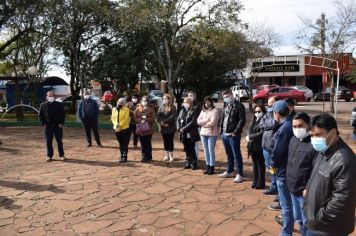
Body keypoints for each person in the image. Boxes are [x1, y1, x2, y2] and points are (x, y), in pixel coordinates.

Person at [304, 113, 356, 236]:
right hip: (316, 223)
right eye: (311, 135)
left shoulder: (344, 160)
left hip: (329, 228)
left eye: (318, 135)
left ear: (332, 133)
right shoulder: (324, 151)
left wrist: (319, 217)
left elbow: (342, 199)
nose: (314, 139)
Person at [285, 112, 317, 236]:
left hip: (304, 193)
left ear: (308, 125)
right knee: (298, 219)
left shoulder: (313, 143)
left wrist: (308, 187)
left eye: (300, 126)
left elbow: (316, 169)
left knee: (307, 223)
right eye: (294, 126)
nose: (297, 129)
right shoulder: (293, 139)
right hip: (292, 188)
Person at [270, 100, 294, 236]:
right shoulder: (289, 124)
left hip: (283, 171)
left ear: (277, 113)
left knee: (286, 206)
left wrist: (272, 165)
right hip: (289, 169)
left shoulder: (284, 128)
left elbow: (278, 151)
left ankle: (286, 232)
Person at [219, 89, 246, 183]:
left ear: (232, 95)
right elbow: (223, 118)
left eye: (227, 96)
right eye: (224, 97)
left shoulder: (239, 105)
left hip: (233, 134)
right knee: (229, 154)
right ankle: (230, 171)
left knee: (236, 154)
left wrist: (235, 131)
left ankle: (240, 173)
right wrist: (221, 131)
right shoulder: (225, 105)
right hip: (224, 134)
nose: (226, 98)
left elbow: (242, 120)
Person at [259, 96, 279, 195]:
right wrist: (270, 124)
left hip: (274, 146)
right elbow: (261, 124)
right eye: (268, 104)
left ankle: (278, 188)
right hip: (265, 145)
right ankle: (273, 186)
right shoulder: (267, 114)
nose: (269, 106)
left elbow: (275, 123)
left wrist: (269, 124)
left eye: (271, 104)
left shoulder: (279, 114)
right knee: (270, 167)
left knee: (276, 168)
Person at [39, 91, 66, 162]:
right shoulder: (43, 105)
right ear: (46, 97)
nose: (50, 97)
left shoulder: (59, 104)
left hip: (57, 126)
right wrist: (43, 124)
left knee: (59, 141)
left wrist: (61, 123)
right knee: (48, 142)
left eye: (51, 96)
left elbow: (63, 114)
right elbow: (40, 115)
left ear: (54, 96)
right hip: (48, 126)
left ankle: (61, 155)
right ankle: (49, 156)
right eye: (49, 96)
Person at [197, 96, 220, 175]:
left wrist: (204, 124)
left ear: (211, 102)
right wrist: (206, 120)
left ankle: (212, 166)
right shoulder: (203, 111)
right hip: (203, 133)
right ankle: (207, 166)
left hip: (211, 133)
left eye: (208, 102)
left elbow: (213, 122)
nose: (207, 104)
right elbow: (198, 121)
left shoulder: (215, 111)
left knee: (211, 150)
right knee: (206, 150)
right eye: (205, 102)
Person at [246, 104, 266, 189]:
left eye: (259, 111)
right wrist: (248, 137)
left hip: (259, 146)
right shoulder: (253, 120)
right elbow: (249, 130)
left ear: (263, 112)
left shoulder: (264, 121)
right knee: (254, 164)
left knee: (260, 164)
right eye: (255, 111)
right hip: (252, 146)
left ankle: (261, 182)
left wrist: (250, 137)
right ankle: (255, 181)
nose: (257, 113)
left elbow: (262, 133)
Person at [177, 97, 200, 170]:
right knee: (186, 148)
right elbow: (178, 120)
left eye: (187, 102)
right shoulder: (182, 111)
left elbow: (193, 122)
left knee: (191, 148)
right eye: (184, 102)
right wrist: (179, 128)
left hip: (190, 132)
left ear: (190, 103)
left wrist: (184, 128)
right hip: (183, 133)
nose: (185, 104)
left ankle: (194, 163)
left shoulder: (194, 111)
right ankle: (188, 162)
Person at [134, 96, 156, 163]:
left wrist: (146, 119)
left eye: (145, 101)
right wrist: (139, 120)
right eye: (143, 101)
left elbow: (153, 118)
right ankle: (143, 156)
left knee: (147, 143)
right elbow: (135, 117)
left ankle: (148, 156)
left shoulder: (151, 109)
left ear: (148, 102)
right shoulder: (139, 108)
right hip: (140, 129)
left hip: (148, 129)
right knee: (142, 144)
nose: (144, 102)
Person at [157, 93, 177, 162]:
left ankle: (171, 156)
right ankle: (166, 155)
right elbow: (158, 115)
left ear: (169, 99)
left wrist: (165, 122)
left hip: (170, 127)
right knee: (165, 141)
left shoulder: (173, 107)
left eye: (165, 99)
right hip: (163, 127)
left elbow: (172, 117)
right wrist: (162, 122)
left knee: (170, 141)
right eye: (163, 99)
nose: (164, 100)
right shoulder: (161, 107)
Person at [111, 98, 131, 163]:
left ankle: (124, 157)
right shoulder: (114, 109)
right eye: (119, 102)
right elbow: (113, 118)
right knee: (120, 143)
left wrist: (120, 125)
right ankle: (121, 155)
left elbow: (126, 119)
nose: (120, 103)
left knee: (125, 143)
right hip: (116, 128)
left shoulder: (126, 109)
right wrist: (116, 124)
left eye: (122, 102)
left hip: (124, 128)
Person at [187, 91, 201, 159]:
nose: (190, 97)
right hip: (187, 127)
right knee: (188, 142)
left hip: (195, 127)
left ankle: (195, 156)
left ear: (195, 96)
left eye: (191, 95)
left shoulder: (198, 105)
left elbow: (199, 117)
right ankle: (189, 156)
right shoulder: (187, 105)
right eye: (189, 95)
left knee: (196, 143)